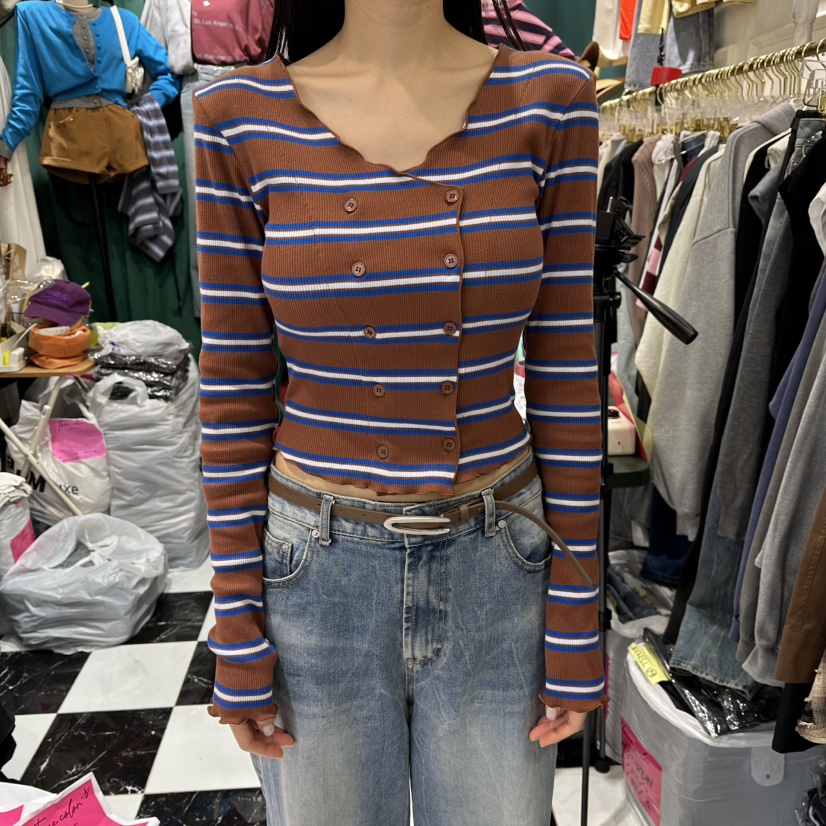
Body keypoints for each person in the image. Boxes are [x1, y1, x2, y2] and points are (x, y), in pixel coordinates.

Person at [194, 1, 604, 823]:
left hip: (500, 565)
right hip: (316, 575)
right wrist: (236, 620)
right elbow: (235, 390)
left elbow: (564, 370)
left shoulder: (554, 102)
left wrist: (577, 610)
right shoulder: (234, 117)